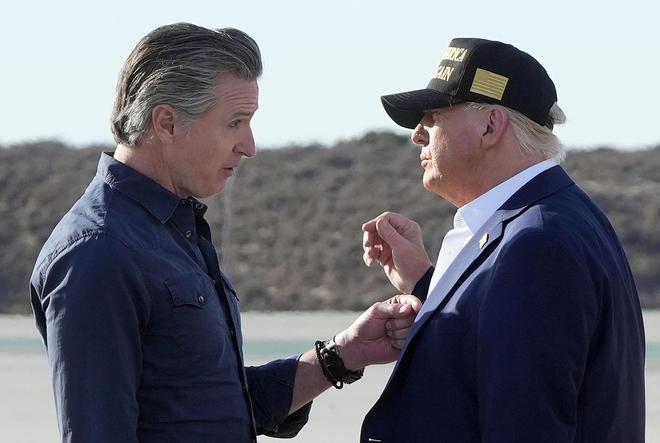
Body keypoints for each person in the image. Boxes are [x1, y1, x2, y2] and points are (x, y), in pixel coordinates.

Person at [29, 23, 421, 443]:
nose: (249, 145)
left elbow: (214, 407)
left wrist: (344, 354)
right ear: (167, 123)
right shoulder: (98, 252)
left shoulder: (171, 232)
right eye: (235, 122)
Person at [360, 37, 645, 442]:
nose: (418, 135)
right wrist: (427, 287)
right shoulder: (550, 221)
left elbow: (527, 423)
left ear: (491, 125)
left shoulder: (537, 244)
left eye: (433, 116)